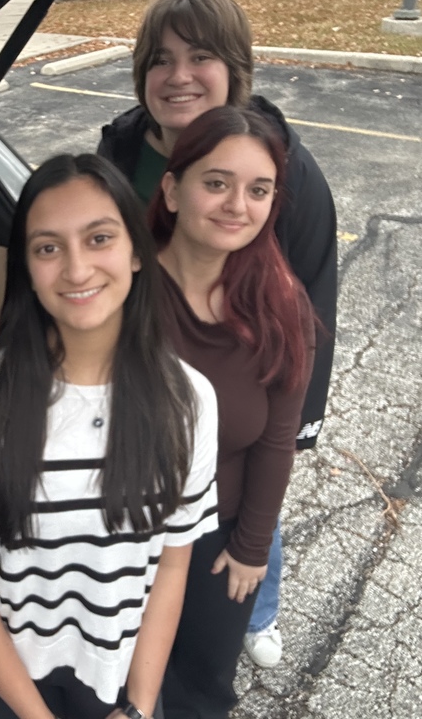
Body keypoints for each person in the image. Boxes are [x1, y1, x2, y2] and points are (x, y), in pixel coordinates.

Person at [0, 154, 219, 719]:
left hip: (121, 671)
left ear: (136, 252)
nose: (77, 270)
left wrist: (138, 707)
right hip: (9, 674)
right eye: (48, 248)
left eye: (99, 238)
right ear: (27, 269)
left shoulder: (189, 401)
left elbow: (172, 567)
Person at [97, 0, 337, 667]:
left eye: (200, 57)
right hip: (148, 382)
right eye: (161, 59)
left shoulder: (281, 167)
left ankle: (254, 608)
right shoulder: (119, 150)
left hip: (242, 393)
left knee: (250, 475)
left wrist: (300, 421)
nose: (178, 75)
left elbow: (312, 297)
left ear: (235, 68)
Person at [147, 106, 315, 718]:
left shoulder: (282, 304)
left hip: (220, 536)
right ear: (172, 188)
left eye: (258, 190)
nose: (236, 205)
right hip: (121, 532)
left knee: (199, 687)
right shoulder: (121, 288)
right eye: (216, 182)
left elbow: (276, 440)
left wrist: (250, 547)